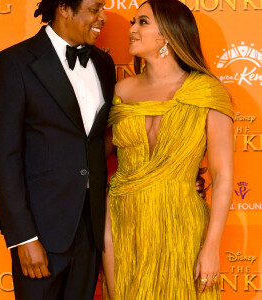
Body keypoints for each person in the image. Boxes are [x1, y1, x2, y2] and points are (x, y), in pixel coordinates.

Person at [102, 0, 234, 299]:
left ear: (169, 34)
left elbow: (223, 175)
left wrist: (211, 247)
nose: (132, 29)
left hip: (182, 222)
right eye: (133, 22)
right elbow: (92, 156)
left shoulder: (207, 91)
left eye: (143, 22)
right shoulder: (119, 92)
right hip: (122, 222)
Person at [0, 0, 116, 299]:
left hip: (90, 227)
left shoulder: (103, 63)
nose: (103, 17)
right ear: (64, 8)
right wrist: (23, 237)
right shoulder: (16, 61)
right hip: (40, 229)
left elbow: (96, 141)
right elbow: (4, 155)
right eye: (95, 8)